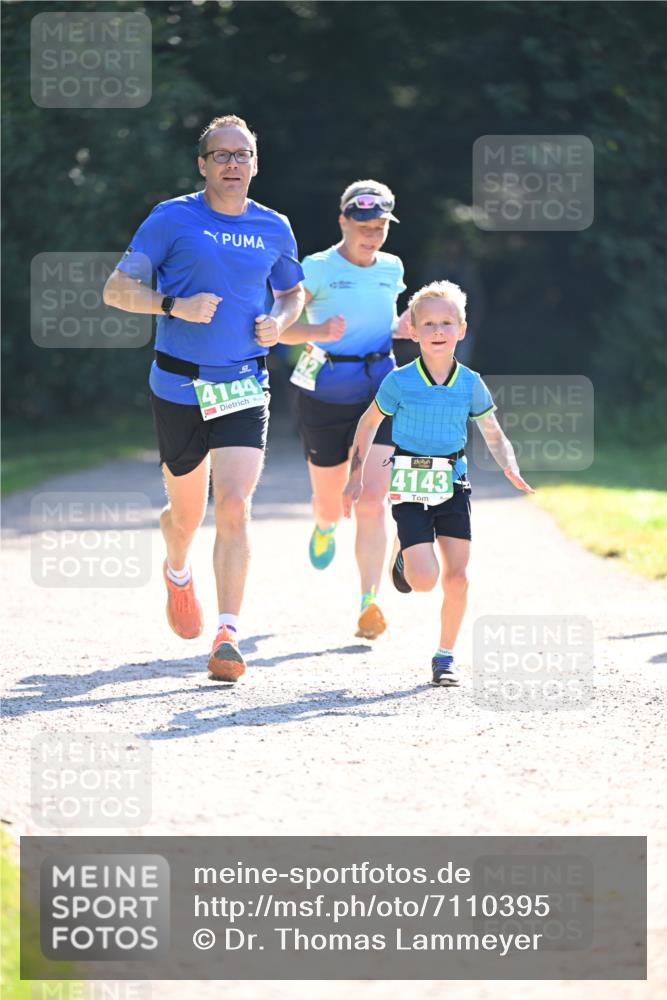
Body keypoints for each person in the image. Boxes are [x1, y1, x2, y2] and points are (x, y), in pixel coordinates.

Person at [103, 114, 305, 682]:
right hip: (178, 384)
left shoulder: (275, 227)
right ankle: (176, 570)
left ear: (255, 164)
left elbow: (292, 292)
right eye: (222, 155)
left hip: (244, 381)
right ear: (203, 164)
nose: (233, 164)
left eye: (243, 155)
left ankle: (227, 634)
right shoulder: (172, 219)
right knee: (187, 515)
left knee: (235, 506)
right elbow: (117, 290)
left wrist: (279, 321)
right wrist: (173, 306)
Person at [342, 280, 533, 686]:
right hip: (410, 485)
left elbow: (493, 431)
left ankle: (445, 657)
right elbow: (369, 421)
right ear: (413, 331)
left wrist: (509, 466)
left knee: (458, 577)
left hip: (454, 483)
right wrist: (355, 476)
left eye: (447, 322)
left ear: (462, 329)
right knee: (423, 581)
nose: (438, 331)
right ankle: (403, 552)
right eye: (428, 324)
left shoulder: (470, 382)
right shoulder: (399, 381)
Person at [280, 180, 406, 640]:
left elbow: (380, 321)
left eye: (380, 227)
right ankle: (323, 525)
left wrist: (403, 327)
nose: (372, 234)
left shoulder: (392, 268)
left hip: (380, 391)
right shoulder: (316, 268)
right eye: (363, 225)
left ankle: (368, 601)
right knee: (332, 503)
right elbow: (279, 329)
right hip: (325, 392)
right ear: (343, 222)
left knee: (373, 502)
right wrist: (318, 329)